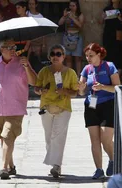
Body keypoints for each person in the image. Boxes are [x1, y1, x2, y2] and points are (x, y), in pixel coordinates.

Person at [0, 38, 37, 180]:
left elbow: (34, 82)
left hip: (16, 108)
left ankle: (4, 168)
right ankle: (11, 166)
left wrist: (26, 67)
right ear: (2, 49)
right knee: (5, 139)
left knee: (7, 136)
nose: (13, 50)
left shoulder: (22, 62)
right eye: (10, 47)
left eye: (14, 47)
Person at [34, 44, 78, 178]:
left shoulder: (70, 73)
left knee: (58, 136)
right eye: (52, 54)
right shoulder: (44, 71)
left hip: (63, 108)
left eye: (58, 54)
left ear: (63, 57)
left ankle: (56, 166)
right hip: (46, 107)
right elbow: (36, 88)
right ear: (49, 57)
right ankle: (54, 161)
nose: (55, 57)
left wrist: (65, 91)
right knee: (48, 137)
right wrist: (41, 90)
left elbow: (75, 93)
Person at [78, 43, 120, 179]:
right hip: (91, 105)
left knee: (106, 139)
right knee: (94, 140)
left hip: (108, 104)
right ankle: (98, 169)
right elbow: (81, 91)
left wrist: (103, 87)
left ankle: (114, 161)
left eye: (91, 56)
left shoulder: (109, 66)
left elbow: (118, 88)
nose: (88, 58)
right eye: (86, 56)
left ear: (99, 55)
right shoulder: (86, 69)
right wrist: (80, 87)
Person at [100, 0, 122, 76]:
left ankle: (117, 77)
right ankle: (109, 76)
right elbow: (100, 22)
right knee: (108, 55)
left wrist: (120, 19)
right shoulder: (107, 9)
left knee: (119, 55)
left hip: (119, 36)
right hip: (108, 35)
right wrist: (103, 18)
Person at [58, 0, 84, 76]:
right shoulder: (67, 14)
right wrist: (64, 16)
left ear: (77, 7)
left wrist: (73, 18)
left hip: (77, 37)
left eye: (73, 6)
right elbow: (60, 23)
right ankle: (70, 75)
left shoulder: (80, 15)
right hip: (67, 38)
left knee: (77, 58)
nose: (71, 7)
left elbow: (80, 25)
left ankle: (78, 75)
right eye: (70, 6)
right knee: (68, 58)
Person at [26, 0, 45, 73]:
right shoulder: (26, 13)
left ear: (36, 5)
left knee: (37, 58)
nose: (31, 5)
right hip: (27, 39)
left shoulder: (40, 16)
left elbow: (43, 30)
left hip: (37, 40)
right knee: (27, 58)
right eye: (29, 4)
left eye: (32, 4)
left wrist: (43, 43)